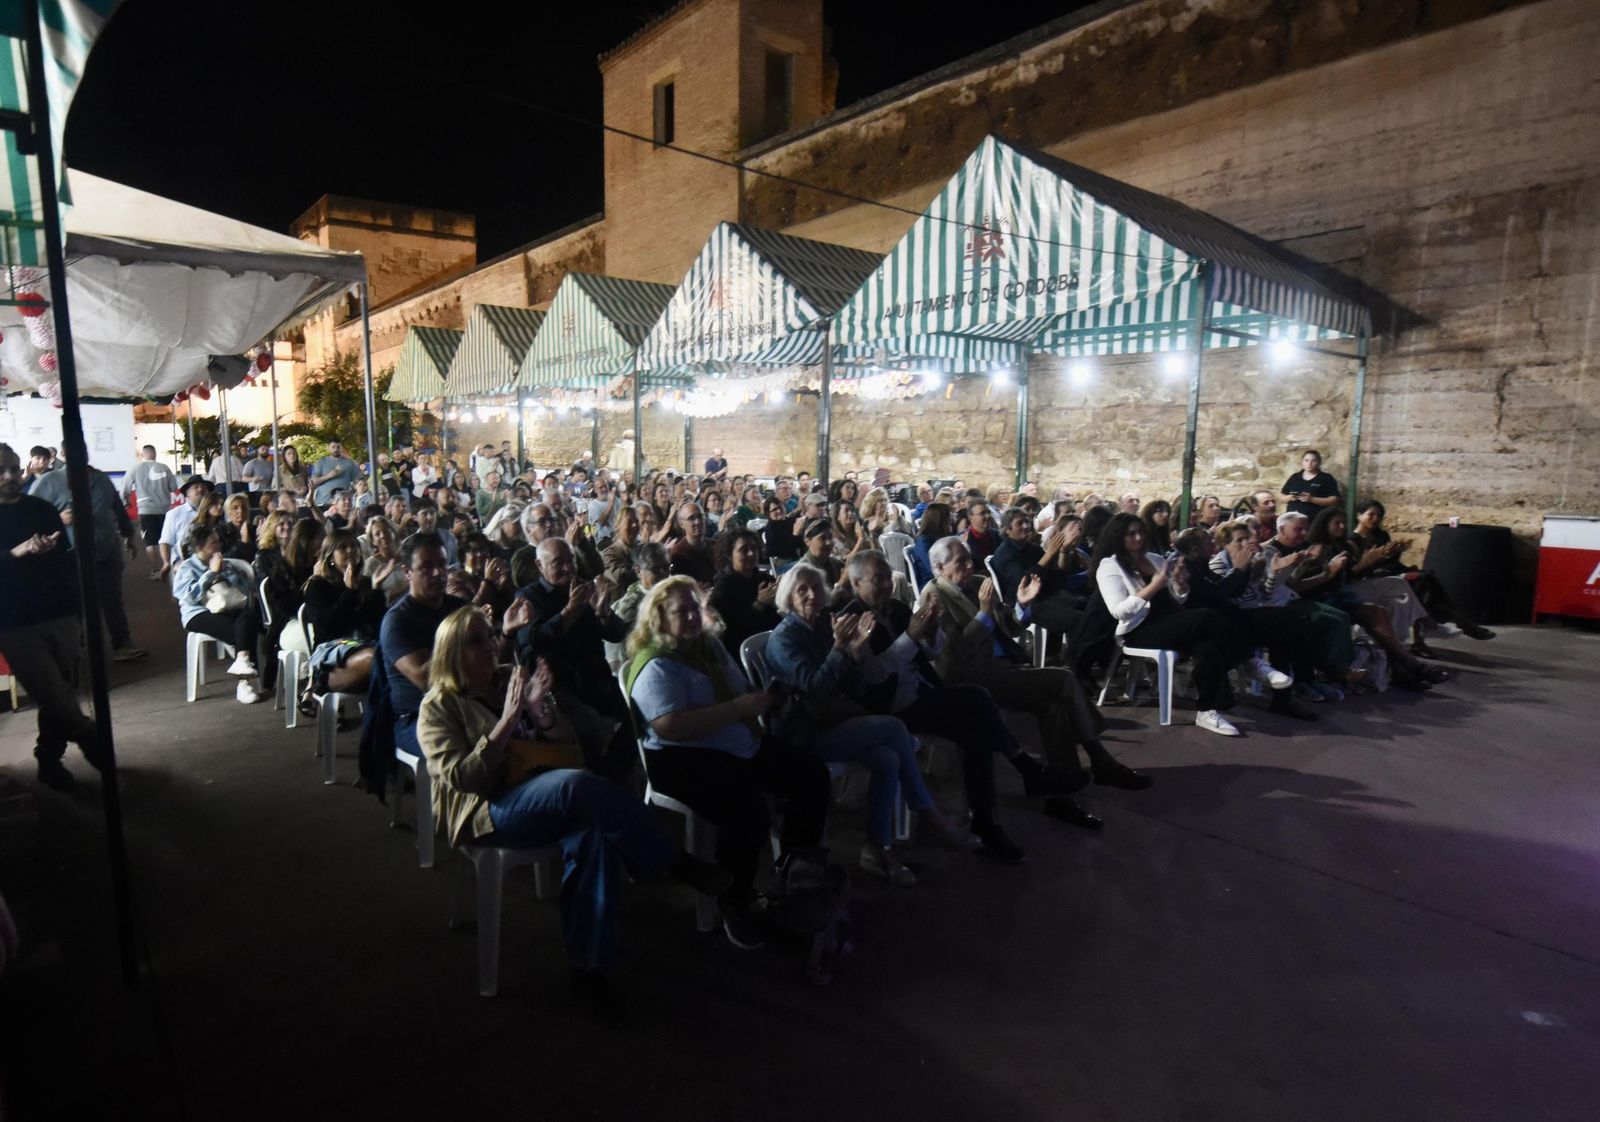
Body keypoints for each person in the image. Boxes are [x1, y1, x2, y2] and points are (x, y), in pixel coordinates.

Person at [420, 606, 729, 1011]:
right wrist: (507, 722)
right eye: (475, 641)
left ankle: (588, 971)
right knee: (577, 785)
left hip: (544, 790)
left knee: (593, 835)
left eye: (490, 635)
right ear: (451, 652)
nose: (491, 646)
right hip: (490, 808)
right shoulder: (438, 706)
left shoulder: (508, 680)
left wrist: (540, 712)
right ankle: (670, 860)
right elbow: (463, 779)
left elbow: (569, 746)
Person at [622, 577, 831, 948]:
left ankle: (796, 872)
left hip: (734, 740)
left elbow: (738, 688)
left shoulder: (708, 645)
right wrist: (738, 708)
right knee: (747, 811)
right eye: (681, 611)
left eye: (695, 608)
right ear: (659, 618)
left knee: (811, 775)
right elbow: (671, 726)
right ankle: (735, 901)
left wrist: (764, 699)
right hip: (680, 758)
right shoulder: (655, 663)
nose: (692, 617)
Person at [768, 564, 976, 884]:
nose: (811, 595)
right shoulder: (785, 637)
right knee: (893, 728)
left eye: (816, 588)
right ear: (788, 597)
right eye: (802, 589)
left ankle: (877, 848)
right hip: (803, 734)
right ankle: (931, 814)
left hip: (834, 720)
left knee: (887, 758)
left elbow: (856, 689)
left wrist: (854, 653)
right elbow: (814, 688)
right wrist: (840, 650)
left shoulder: (823, 626)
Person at [926, 536, 1144, 829]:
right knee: (1063, 679)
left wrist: (1021, 605)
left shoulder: (977, 584)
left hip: (998, 670)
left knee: (1054, 705)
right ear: (940, 568)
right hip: (970, 683)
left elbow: (1009, 626)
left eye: (969, 559)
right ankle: (1100, 760)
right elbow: (956, 656)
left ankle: (1062, 795)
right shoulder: (934, 598)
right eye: (960, 562)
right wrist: (983, 614)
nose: (968, 566)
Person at [834, 551, 1038, 863]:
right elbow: (872, 677)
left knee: (976, 729)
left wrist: (931, 632)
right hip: (888, 708)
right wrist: (910, 636)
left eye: (888, 577)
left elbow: (930, 653)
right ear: (856, 583)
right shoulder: (849, 618)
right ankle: (1022, 771)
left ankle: (987, 820)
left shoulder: (898, 608)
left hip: (920, 694)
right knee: (976, 698)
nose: (887, 585)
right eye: (878, 580)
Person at [1094, 512, 1284, 736]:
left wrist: (1180, 585)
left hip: (1170, 621)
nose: (1138, 538)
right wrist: (1153, 586)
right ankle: (1250, 663)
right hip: (1140, 629)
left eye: (1141, 532)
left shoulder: (1154, 559)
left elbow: (1177, 599)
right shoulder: (1110, 566)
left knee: (1207, 646)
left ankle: (1208, 710)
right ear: (1118, 536)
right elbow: (1118, 611)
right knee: (1206, 615)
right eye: (1131, 534)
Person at [0, 443, 106, 788]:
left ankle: (49, 758)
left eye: (14, 468)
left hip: (59, 612)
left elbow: (63, 560)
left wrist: (78, 610)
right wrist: (16, 552)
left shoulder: (40, 508)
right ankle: (88, 736)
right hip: (14, 622)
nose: (10, 476)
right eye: (2, 470)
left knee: (58, 691)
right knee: (50, 690)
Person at [381, 533, 512, 760]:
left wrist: (508, 632)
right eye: (426, 567)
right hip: (421, 716)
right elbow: (426, 680)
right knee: (486, 747)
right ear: (407, 571)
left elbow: (491, 661)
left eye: (442, 565)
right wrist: (459, 640)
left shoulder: (458, 607)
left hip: (472, 702)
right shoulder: (398, 621)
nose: (437, 573)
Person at [511, 538, 633, 779]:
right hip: (559, 689)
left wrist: (603, 612)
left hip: (597, 682)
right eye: (558, 563)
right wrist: (569, 611)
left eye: (571, 560)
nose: (568, 568)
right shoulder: (529, 597)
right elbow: (534, 641)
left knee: (636, 719)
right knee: (592, 736)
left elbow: (617, 634)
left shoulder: (582, 588)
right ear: (539, 566)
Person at [29, 453, 147, 661]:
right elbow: (30, 515)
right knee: (75, 604)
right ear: (63, 454)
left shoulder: (101, 479)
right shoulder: (49, 481)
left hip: (106, 551)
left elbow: (117, 508)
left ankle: (122, 644)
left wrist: (129, 535)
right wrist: (58, 518)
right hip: (71, 557)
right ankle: (75, 648)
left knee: (112, 599)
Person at [1351, 499, 1495, 649]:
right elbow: (1361, 570)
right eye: (1371, 514)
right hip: (1376, 578)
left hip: (1392, 572)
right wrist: (1375, 559)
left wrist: (1397, 552)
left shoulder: (1381, 535)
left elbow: (1391, 562)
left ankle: (1434, 631)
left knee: (1426, 581)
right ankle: (1446, 625)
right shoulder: (1353, 540)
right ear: (1359, 515)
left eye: (1379, 515)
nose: (1375, 518)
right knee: (1421, 583)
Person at [173, 523, 265, 704]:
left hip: (228, 608)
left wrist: (227, 573)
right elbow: (188, 597)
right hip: (198, 613)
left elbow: (246, 590)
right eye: (214, 543)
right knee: (243, 631)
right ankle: (245, 683)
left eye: (218, 541)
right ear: (200, 548)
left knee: (249, 616)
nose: (219, 545)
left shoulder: (225, 562)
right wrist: (210, 574)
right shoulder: (187, 568)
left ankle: (243, 665)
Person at [301, 528, 388, 701]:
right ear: (331, 557)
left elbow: (377, 625)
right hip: (332, 654)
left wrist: (376, 591)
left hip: (364, 644)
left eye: (354, 546)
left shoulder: (365, 582)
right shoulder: (317, 585)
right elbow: (328, 625)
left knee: (397, 651)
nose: (350, 550)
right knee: (376, 657)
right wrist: (349, 592)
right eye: (342, 547)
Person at [707, 529, 779, 658]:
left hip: (773, 643)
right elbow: (729, 630)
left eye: (754, 548)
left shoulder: (765, 579)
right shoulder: (723, 588)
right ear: (730, 555)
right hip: (743, 652)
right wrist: (759, 604)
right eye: (743, 550)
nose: (751, 554)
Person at [121, 445, 178, 579]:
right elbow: (173, 487)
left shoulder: (135, 468)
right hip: (164, 509)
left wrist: (126, 502)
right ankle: (168, 566)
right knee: (166, 539)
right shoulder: (164, 468)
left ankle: (154, 570)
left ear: (143, 454)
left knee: (149, 542)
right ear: (155, 453)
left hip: (145, 510)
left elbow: (124, 489)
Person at [1281, 449, 1341, 519]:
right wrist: (1289, 498)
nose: (1309, 464)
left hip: (1315, 519)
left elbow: (1334, 500)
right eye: (1306, 460)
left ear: (1318, 462)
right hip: (1292, 519)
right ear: (1302, 462)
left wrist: (1312, 499)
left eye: (1313, 461)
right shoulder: (1295, 477)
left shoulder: (1326, 478)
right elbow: (1282, 495)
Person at [667, 501, 716, 583]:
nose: (697, 522)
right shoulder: (677, 554)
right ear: (681, 524)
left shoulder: (716, 546)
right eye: (691, 518)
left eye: (700, 516)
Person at [909, 502, 951, 590]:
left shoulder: (942, 537)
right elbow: (932, 568)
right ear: (940, 520)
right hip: (930, 584)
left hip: (945, 579)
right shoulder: (923, 541)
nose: (950, 521)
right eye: (948, 518)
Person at [309, 441, 361, 507]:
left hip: (343, 503)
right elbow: (313, 482)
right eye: (333, 447)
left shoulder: (349, 463)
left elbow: (357, 481)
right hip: (323, 502)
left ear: (342, 448)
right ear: (328, 448)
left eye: (338, 447)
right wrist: (328, 476)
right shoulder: (321, 462)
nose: (336, 449)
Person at [963, 499, 1000, 568]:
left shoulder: (999, 536)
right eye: (982, 513)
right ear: (970, 517)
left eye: (989, 512)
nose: (988, 516)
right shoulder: (963, 540)